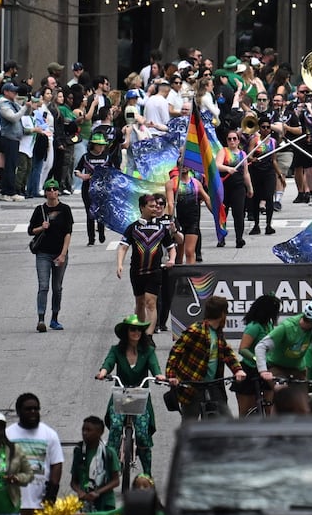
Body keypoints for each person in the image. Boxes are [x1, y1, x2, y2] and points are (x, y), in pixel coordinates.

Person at [97, 316, 160, 476]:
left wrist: (159, 375)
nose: (136, 332)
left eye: (139, 329)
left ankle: (148, 475)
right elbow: (108, 363)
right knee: (116, 428)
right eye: (133, 329)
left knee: (142, 435)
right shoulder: (116, 350)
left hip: (141, 399)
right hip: (121, 398)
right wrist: (103, 373)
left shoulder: (148, 351)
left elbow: (154, 366)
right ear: (126, 332)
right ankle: (109, 471)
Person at [166, 294, 242, 419]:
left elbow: (227, 352)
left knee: (226, 419)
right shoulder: (196, 330)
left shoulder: (217, 332)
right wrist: (171, 376)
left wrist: (238, 370)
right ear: (222, 314)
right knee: (190, 423)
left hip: (213, 384)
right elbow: (176, 351)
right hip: (192, 385)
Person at [116, 192, 178, 335]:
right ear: (142, 208)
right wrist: (119, 264)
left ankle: (148, 335)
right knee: (140, 303)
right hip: (137, 272)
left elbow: (171, 248)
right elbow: (123, 247)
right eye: (151, 206)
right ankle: (141, 330)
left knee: (151, 302)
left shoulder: (162, 229)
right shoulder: (133, 228)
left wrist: (172, 259)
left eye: (156, 206)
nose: (155, 208)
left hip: (154, 272)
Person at [28, 179, 73, 333]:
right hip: (43, 254)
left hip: (59, 253)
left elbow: (68, 233)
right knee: (43, 286)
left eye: (55, 189)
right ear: (45, 193)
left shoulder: (65, 209)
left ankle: (54, 318)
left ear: (58, 192)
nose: (52, 192)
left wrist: (63, 254)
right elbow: (30, 230)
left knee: (57, 287)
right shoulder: (39, 210)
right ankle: (41, 319)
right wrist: (42, 227)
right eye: (49, 189)